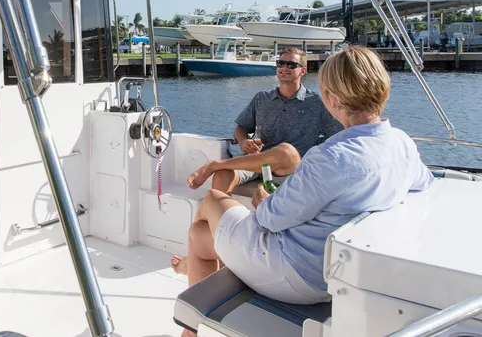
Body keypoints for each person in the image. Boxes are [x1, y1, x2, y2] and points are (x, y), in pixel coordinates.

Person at [171, 46, 433, 336]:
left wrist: (263, 200)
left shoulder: (331, 157)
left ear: (332, 99)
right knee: (199, 237)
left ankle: (192, 282)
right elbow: (424, 183)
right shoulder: (401, 143)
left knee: (211, 200)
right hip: (340, 272)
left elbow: (269, 219)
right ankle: (189, 327)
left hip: (297, 275)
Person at [186, 47, 343, 196]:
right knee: (223, 175)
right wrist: (243, 141)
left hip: (293, 169)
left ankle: (214, 164)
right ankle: (222, 220)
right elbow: (241, 127)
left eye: (291, 65)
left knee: (285, 151)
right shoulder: (262, 98)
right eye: (281, 63)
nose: (284, 68)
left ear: (303, 70)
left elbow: (338, 137)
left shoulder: (318, 103)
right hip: (258, 163)